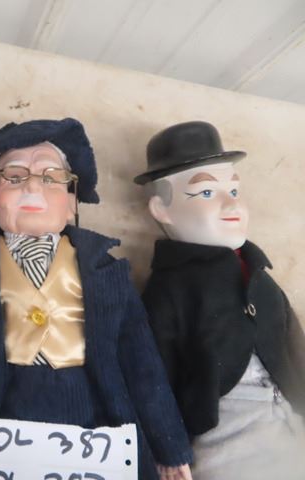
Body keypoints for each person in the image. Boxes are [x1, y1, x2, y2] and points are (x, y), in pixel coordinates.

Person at [0, 118, 193, 480]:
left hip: (96, 419)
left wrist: (169, 448)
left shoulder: (108, 273)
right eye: (14, 176)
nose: (32, 185)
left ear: (72, 202)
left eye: (50, 177)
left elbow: (142, 363)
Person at [134, 120, 305, 479]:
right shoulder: (169, 290)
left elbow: (294, 347)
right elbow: (153, 377)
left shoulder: (260, 276)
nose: (231, 203)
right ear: (161, 210)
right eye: (207, 193)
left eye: (234, 190)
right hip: (225, 436)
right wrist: (167, 448)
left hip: (290, 420)